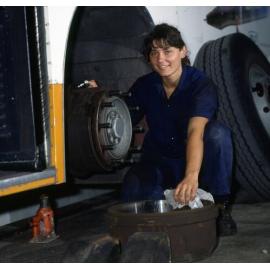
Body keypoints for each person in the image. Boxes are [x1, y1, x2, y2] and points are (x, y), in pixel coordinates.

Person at [122, 23, 237, 236]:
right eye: (154, 52)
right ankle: (161, 214)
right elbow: (122, 117)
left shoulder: (201, 85)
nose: (161, 58)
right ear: (148, 58)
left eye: (168, 51)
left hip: (194, 162)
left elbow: (196, 132)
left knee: (218, 135)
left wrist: (192, 176)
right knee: (134, 190)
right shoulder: (144, 85)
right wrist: (99, 96)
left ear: (182, 51)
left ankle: (220, 210)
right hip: (159, 162)